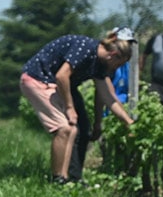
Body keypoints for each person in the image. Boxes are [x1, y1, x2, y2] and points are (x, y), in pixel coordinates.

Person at [19, 27, 137, 184]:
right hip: (38, 79)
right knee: (64, 128)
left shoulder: (101, 64)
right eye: (118, 65)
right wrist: (69, 108)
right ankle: (57, 179)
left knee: (74, 129)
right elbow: (62, 76)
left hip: (54, 84)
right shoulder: (86, 48)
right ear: (113, 56)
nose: (116, 69)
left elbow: (108, 97)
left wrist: (128, 122)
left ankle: (65, 179)